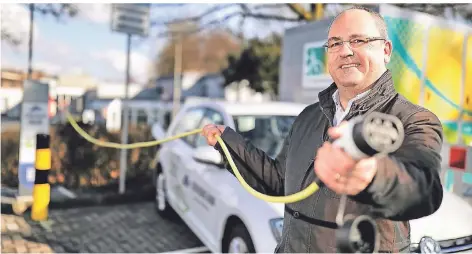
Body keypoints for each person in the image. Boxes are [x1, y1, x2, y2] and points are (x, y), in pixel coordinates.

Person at [201, 6, 443, 253]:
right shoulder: (308, 117)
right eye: (335, 43)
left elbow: (425, 189)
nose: (345, 51)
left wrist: (374, 176)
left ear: (386, 50)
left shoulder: (414, 119)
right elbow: (280, 183)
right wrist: (227, 142)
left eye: (358, 40)